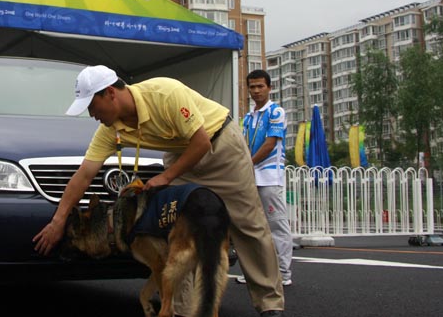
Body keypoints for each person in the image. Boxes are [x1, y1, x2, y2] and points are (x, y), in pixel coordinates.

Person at [33, 65, 286, 317]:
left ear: (110, 93)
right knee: (175, 232)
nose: (91, 114)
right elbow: (84, 175)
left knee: (248, 225)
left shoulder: (164, 93)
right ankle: (184, 311)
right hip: (181, 155)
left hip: (219, 145)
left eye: (92, 106)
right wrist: (59, 220)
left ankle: (270, 305)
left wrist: (166, 177)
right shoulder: (110, 130)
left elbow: (201, 142)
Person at [239, 69, 292, 287]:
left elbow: (270, 144)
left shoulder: (276, 112)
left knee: (276, 225)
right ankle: (255, 273)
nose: (256, 90)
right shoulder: (248, 117)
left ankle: (282, 273)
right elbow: (243, 145)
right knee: (253, 227)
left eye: (260, 86)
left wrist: (247, 164)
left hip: (269, 177)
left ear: (269, 87)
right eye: (252, 87)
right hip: (250, 178)